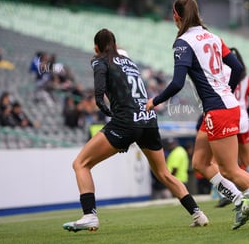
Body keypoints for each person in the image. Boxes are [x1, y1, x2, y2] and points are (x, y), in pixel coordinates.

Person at [146, 0, 249, 231]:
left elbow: (178, 83)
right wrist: (226, 90)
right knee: (200, 162)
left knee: (230, 170)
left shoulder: (183, 42)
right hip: (222, 106)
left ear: (177, 16)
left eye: (173, 15)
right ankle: (240, 201)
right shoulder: (213, 37)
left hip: (218, 110)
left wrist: (156, 100)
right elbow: (239, 68)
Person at [62, 28, 208, 233]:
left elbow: (100, 84)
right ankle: (198, 214)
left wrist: (99, 100)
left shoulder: (100, 60)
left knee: (80, 164)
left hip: (126, 122)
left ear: (96, 47)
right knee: (164, 173)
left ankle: (89, 216)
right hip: (148, 120)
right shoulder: (129, 62)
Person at [216, 47, 249, 208]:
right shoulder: (244, 77)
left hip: (229, 115)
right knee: (248, 159)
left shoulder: (222, 73)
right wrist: (247, 113)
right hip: (242, 117)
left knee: (227, 161)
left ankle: (228, 193)